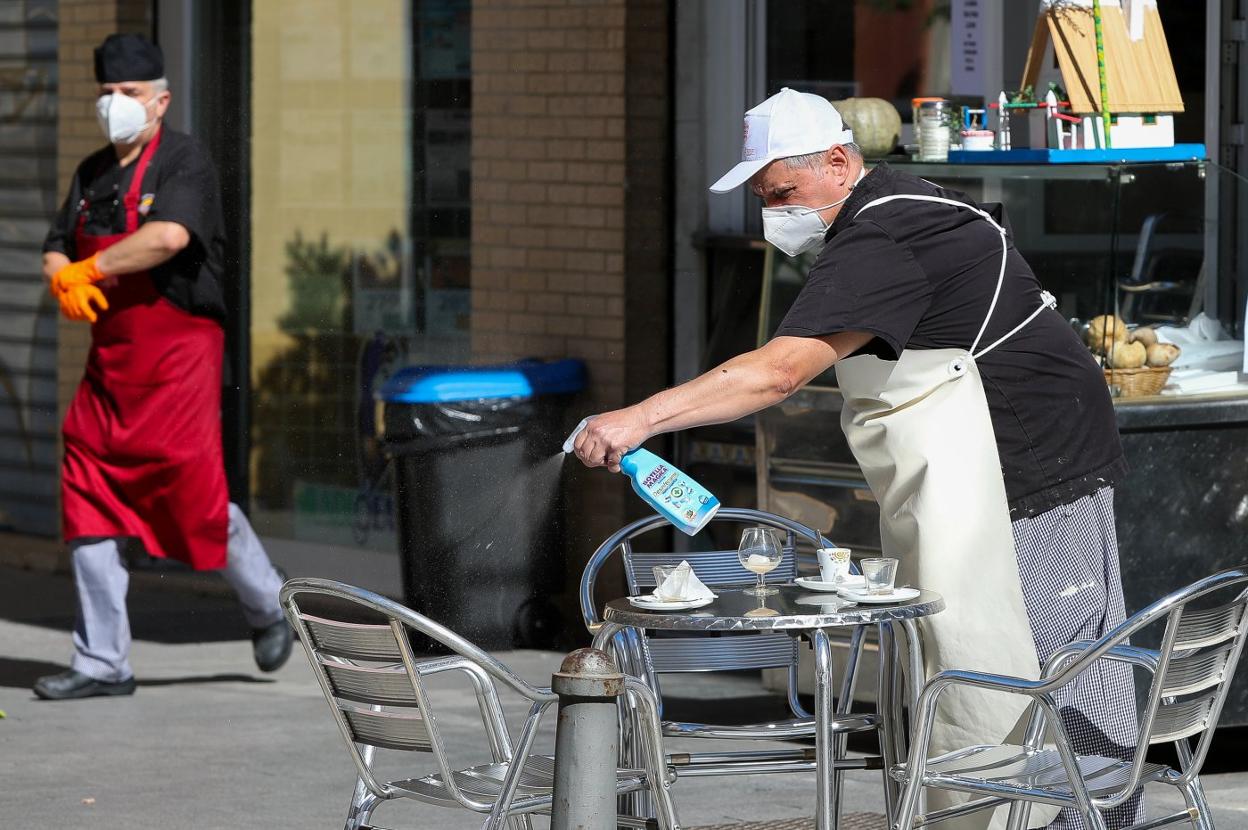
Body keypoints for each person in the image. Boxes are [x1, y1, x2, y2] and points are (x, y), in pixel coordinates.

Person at [571, 88, 1140, 829]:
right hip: (1015, 460)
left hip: (1032, 465)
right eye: (763, 198)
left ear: (839, 163)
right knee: (1013, 659)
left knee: (1034, 667)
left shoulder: (884, 236)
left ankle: (1078, 820)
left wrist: (638, 418)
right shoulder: (902, 207)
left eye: (783, 192)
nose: (772, 213)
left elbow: (777, 373)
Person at [33, 34, 292, 701]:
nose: (115, 104)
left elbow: (169, 237)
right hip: (111, 366)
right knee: (86, 491)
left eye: (130, 93)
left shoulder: (185, 160)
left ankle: (268, 604)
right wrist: (63, 275)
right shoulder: (92, 174)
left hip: (179, 358)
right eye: (108, 93)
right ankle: (101, 662)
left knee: (193, 491)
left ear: (161, 99)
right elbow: (57, 242)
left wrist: (94, 267)